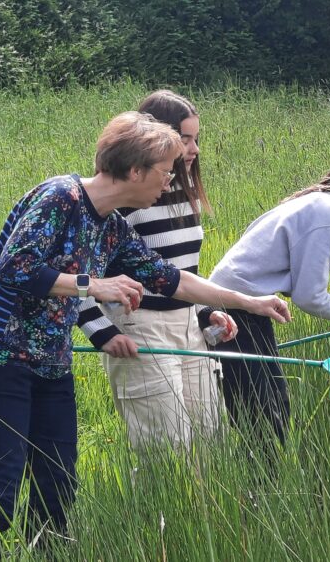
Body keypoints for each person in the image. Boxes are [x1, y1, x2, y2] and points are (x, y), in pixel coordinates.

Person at [0, 111, 290, 561]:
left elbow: (169, 279)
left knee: (57, 477)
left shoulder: (111, 226)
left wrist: (248, 302)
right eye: (164, 170)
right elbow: (16, 267)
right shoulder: (60, 197)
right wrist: (93, 285)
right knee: (2, 475)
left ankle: (47, 553)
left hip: (50, 362)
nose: (170, 179)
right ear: (135, 171)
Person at [201, 152, 330, 444]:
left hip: (248, 307)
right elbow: (310, 296)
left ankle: (261, 483)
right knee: (264, 421)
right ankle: (261, 486)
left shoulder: (318, 202)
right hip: (234, 312)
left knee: (272, 411)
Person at [77, 90, 229, 449]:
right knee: (167, 449)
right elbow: (77, 275)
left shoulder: (180, 192)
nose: (193, 150)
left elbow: (178, 271)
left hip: (189, 328)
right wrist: (100, 332)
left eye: (196, 139)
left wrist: (205, 313)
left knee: (211, 440)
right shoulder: (127, 194)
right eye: (185, 139)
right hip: (140, 327)